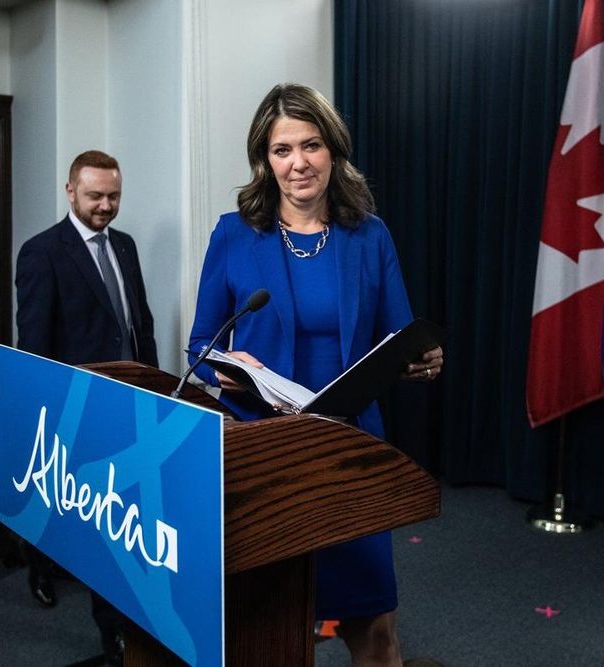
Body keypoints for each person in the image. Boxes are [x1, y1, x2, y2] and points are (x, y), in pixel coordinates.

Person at [187, 84, 444, 666]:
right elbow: (201, 343)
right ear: (264, 159)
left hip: (349, 448)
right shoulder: (234, 232)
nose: (298, 163)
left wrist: (423, 361)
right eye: (282, 150)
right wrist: (231, 364)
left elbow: (401, 337)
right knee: (275, 628)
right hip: (263, 452)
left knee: (374, 627)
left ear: (333, 151)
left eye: (311, 145)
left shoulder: (370, 235)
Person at [15, 150, 157, 666]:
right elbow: (34, 345)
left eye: (113, 196)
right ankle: (44, 569)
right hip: (77, 410)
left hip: (130, 404)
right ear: (70, 191)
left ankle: (119, 621)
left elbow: (139, 324)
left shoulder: (126, 245)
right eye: (95, 196)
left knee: (118, 521)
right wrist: (52, 415)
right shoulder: (41, 252)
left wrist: (156, 389)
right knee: (81, 521)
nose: (105, 206)